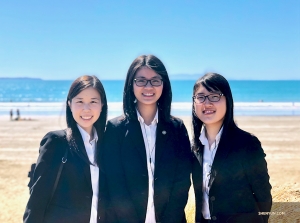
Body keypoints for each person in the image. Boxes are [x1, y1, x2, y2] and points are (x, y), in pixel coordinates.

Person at [103, 55, 192, 223]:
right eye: (141, 80)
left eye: (155, 80)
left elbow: (181, 183)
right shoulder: (115, 129)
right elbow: (115, 185)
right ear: (131, 84)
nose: (148, 87)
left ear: (164, 84)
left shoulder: (177, 128)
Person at [23, 75, 109, 223]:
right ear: (70, 104)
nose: (86, 109)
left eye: (93, 101)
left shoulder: (108, 144)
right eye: (80, 101)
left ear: (102, 105)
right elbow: (37, 200)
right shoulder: (56, 142)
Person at [191, 73, 272, 223]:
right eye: (200, 97)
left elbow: (264, 195)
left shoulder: (247, 144)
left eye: (214, 96)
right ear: (194, 102)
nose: (207, 103)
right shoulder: (195, 148)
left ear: (227, 100)